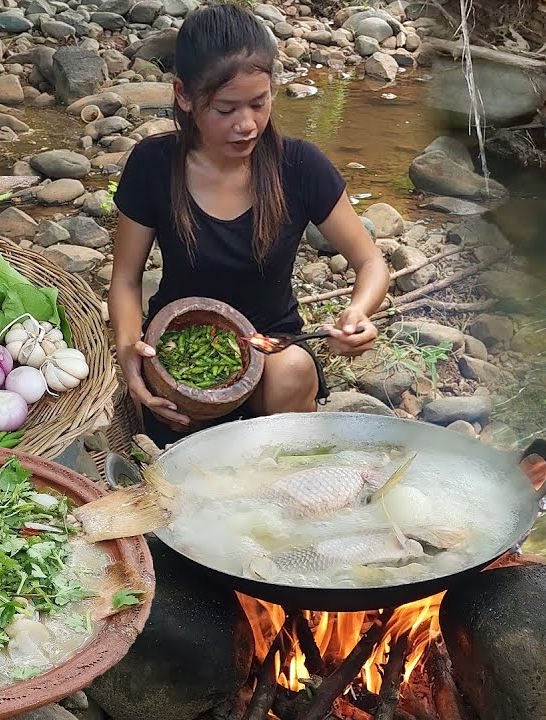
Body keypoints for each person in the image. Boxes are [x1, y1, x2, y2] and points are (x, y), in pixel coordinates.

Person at [109, 2, 390, 448]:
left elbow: (370, 261)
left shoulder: (300, 166)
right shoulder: (153, 165)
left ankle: (286, 460)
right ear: (184, 95)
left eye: (259, 103)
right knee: (184, 453)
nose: (246, 125)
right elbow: (126, 279)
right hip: (178, 358)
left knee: (293, 371)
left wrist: (358, 313)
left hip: (272, 350)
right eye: (225, 109)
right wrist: (129, 352)